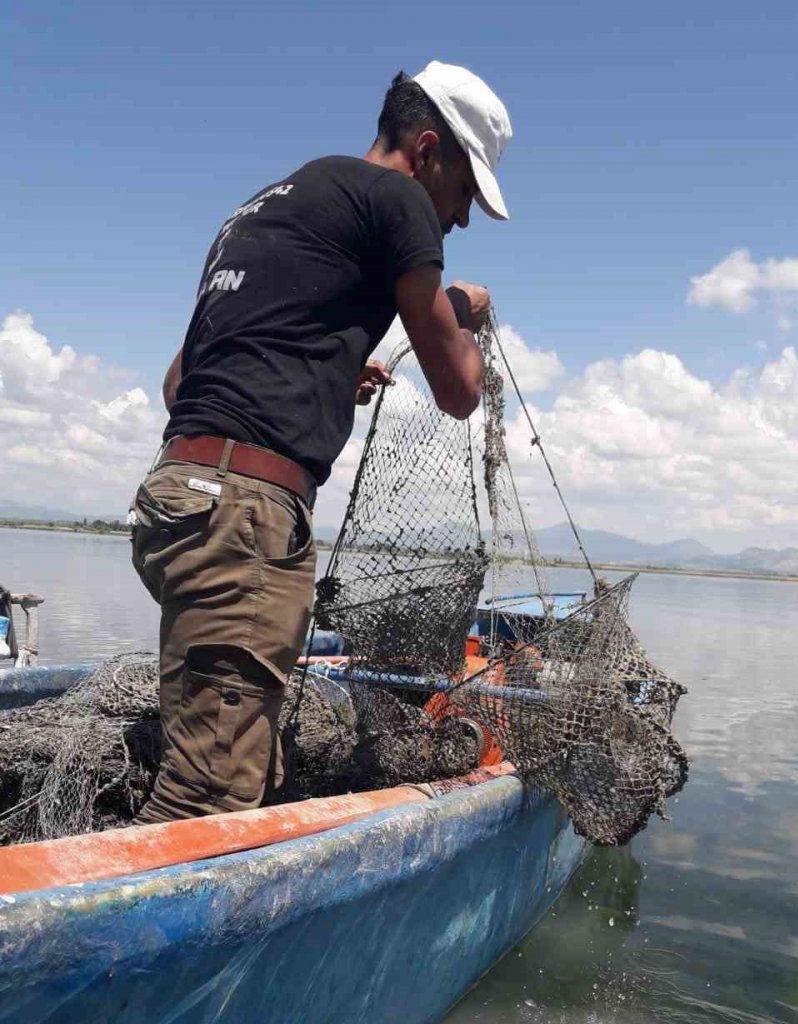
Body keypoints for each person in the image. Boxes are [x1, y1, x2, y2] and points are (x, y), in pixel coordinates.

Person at [130, 61, 512, 824]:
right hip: (241, 521)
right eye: (466, 192)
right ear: (427, 148)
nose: (462, 218)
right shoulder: (400, 200)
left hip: (174, 501)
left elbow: (184, 383)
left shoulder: (269, 205)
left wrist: (329, 371)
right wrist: (462, 313)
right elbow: (458, 390)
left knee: (216, 755)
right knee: (204, 805)